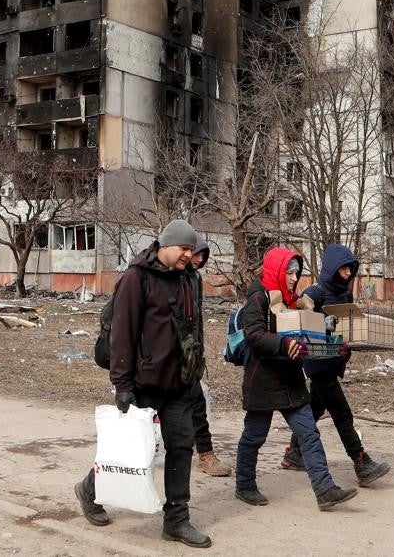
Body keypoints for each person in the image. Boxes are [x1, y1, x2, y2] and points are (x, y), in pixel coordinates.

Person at [74, 219, 212, 548]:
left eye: (192, 250)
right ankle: (89, 489)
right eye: (184, 248)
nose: (188, 255)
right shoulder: (136, 278)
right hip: (143, 383)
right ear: (165, 245)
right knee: (133, 449)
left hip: (179, 383)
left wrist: (196, 369)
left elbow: (195, 327)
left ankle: (177, 520)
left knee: (181, 446)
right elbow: (123, 333)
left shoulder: (191, 278)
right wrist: (122, 383)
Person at [234, 246, 358, 511]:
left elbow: (309, 338)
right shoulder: (258, 298)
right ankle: (244, 485)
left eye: (297, 272)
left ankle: (325, 490)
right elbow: (254, 335)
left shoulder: (294, 301)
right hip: (262, 381)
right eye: (289, 272)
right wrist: (284, 345)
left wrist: (335, 349)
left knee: (309, 433)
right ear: (276, 270)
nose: (293, 277)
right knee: (254, 436)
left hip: (290, 381)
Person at [280, 244, 391, 486]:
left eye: (351, 267)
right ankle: (360, 461)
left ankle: (294, 453)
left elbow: (347, 323)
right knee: (341, 412)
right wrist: (322, 322)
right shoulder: (316, 291)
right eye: (343, 267)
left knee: (314, 409)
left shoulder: (344, 292)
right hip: (318, 360)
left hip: (335, 358)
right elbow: (302, 316)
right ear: (332, 267)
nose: (348, 272)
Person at [187, 237, 229, 477]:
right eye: (195, 253)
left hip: (187, 358)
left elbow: (196, 321)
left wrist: (198, 352)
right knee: (140, 422)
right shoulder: (155, 277)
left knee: (197, 404)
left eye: (203, 255)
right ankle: (97, 481)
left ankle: (205, 454)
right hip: (157, 364)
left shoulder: (194, 278)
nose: (199, 260)